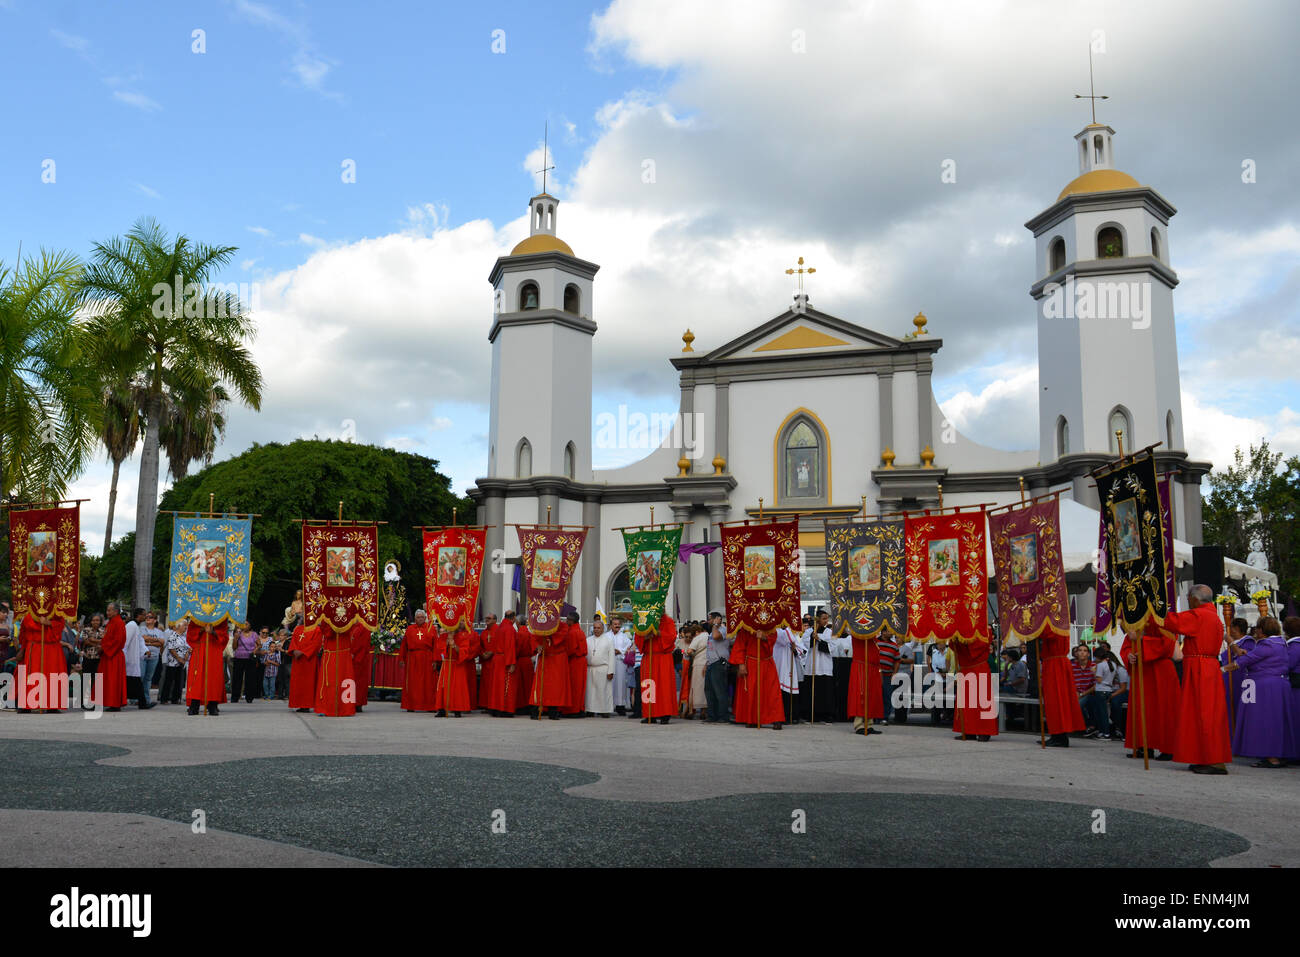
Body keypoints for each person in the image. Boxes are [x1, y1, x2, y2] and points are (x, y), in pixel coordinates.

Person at [1164, 584, 1232, 774]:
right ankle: (1203, 756)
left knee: (1204, 715)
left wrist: (1154, 610)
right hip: (1205, 667)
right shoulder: (1212, 616)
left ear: (1194, 599)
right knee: (1202, 715)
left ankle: (1214, 760)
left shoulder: (1200, 615)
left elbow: (1172, 622)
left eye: (1188, 597)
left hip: (1201, 669)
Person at [1226, 616, 1293, 768]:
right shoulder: (1281, 643)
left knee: (1266, 722)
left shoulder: (1267, 645)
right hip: (1279, 685)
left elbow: (1244, 661)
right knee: (1277, 722)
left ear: (1262, 631)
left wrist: (1221, 670)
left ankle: (1272, 757)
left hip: (1265, 687)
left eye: (1257, 627)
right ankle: (1277, 754)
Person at [1119, 620, 1181, 760]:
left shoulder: (1163, 620)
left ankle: (1168, 748)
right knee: (1142, 710)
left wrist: (1143, 639)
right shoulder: (1135, 621)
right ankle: (1143, 746)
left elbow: (1168, 643)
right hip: (1142, 671)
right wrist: (1130, 655)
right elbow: (1128, 645)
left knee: (1165, 710)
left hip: (1161, 669)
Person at [729, 627, 784, 730]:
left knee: (772, 692)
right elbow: (739, 647)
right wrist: (741, 664)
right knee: (752, 692)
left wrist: (764, 638)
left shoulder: (771, 628)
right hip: (750, 663)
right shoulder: (745, 628)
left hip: (767, 663)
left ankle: (776, 719)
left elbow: (772, 642)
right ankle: (752, 719)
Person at [1038, 628, 1084, 747]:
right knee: (1053, 702)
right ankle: (1056, 734)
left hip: (1055, 665)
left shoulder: (1056, 621)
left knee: (1056, 701)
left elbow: (1048, 633)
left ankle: (1059, 736)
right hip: (1053, 663)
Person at [16, 609, 67, 711]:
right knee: (31, 675)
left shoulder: (56, 611)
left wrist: (49, 623)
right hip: (34, 648)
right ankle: (28, 704)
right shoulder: (30, 613)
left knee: (52, 676)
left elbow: (61, 625)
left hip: (52, 648)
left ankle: (52, 705)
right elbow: (25, 632)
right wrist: (22, 650)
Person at [951, 635, 997, 741]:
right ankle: (968, 731)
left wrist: (964, 639)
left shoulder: (985, 630)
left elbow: (977, 648)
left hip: (979, 668)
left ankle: (985, 731)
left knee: (982, 703)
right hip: (965, 669)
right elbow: (955, 648)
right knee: (966, 704)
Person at [636, 615, 678, 725]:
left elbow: (672, 636)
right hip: (648, 657)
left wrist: (658, 633)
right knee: (648, 686)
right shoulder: (644, 619)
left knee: (664, 687)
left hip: (663, 657)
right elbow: (637, 638)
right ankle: (649, 714)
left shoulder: (668, 621)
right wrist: (645, 637)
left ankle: (665, 714)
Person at [434, 626, 480, 717]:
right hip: (447, 664)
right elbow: (439, 649)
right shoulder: (444, 636)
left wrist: (454, 645)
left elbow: (464, 651)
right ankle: (442, 708)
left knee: (457, 688)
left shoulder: (463, 637)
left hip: (457, 665)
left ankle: (457, 709)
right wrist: (446, 643)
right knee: (443, 687)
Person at [185, 620, 227, 715]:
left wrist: (213, 632)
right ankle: (194, 705)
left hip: (214, 649)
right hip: (199, 648)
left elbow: (224, 636)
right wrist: (201, 629)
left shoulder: (221, 616)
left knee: (214, 678)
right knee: (196, 678)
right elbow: (190, 634)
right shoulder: (196, 615)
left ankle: (213, 705)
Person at [399, 610, 438, 713]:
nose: (420, 619)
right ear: (415, 618)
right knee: (412, 682)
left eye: (422, 617)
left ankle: (430, 706)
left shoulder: (431, 629)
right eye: (418, 617)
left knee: (428, 683)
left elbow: (436, 645)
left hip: (427, 658)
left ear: (425, 618)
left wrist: (435, 660)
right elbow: (404, 645)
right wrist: (401, 658)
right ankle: (411, 705)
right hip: (412, 658)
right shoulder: (410, 629)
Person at [315, 625, 358, 717]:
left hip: (340, 653)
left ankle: (345, 709)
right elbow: (328, 633)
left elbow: (330, 633)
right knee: (332, 681)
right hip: (333, 654)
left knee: (344, 680)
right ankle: (328, 708)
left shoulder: (349, 617)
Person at [801, 611, 835, 723]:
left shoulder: (829, 631)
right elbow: (804, 645)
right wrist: (812, 637)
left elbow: (832, 647)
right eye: (824, 618)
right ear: (817, 619)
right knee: (812, 692)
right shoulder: (809, 632)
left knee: (825, 693)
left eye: (826, 618)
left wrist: (819, 639)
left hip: (824, 665)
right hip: (812, 666)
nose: (826, 621)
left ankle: (826, 715)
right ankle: (811, 715)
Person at [847, 633, 884, 735]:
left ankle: (869, 724)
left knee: (871, 696)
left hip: (872, 668)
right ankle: (859, 725)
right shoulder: (857, 632)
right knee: (860, 695)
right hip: (861, 666)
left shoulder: (873, 634)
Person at [773, 624, 805, 724]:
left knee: (790, 689)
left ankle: (791, 715)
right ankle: (781, 716)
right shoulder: (777, 630)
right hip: (778, 661)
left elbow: (801, 649)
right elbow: (788, 638)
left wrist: (795, 648)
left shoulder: (790, 631)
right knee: (780, 688)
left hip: (790, 662)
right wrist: (788, 629)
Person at [287, 621, 322, 713]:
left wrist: (302, 652)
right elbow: (293, 640)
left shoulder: (317, 629)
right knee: (298, 683)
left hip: (309, 661)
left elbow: (316, 644)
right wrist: (294, 650)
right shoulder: (298, 629)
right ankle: (300, 704)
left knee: (308, 683)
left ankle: (306, 705)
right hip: (297, 661)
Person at [704, 612, 732, 723]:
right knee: (709, 691)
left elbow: (716, 637)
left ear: (717, 619)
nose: (708, 621)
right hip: (711, 663)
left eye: (710, 619)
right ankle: (712, 716)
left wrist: (716, 625)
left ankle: (723, 716)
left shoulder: (723, 630)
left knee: (720, 691)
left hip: (719, 663)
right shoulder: (712, 631)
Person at [98, 603, 128, 710]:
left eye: (110, 610)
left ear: (116, 611)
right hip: (108, 655)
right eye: (107, 610)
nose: (107, 612)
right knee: (107, 680)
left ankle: (115, 704)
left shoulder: (119, 623)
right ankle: (109, 702)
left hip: (114, 655)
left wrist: (104, 648)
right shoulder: (111, 622)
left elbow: (118, 641)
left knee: (113, 681)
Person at [585, 615, 616, 716]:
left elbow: (611, 657)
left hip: (603, 668)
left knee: (603, 691)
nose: (596, 630)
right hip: (590, 668)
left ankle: (605, 710)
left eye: (598, 628)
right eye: (594, 628)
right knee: (590, 692)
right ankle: (590, 709)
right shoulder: (588, 640)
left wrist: (611, 671)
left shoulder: (608, 640)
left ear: (603, 629)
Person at [563, 612, 588, 717]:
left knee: (574, 686)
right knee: (580, 686)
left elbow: (571, 649)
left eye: (567, 619)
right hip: (581, 661)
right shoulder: (580, 631)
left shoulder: (572, 632)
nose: (566, 621)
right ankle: (579, 708)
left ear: (571, 621)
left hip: (575, 661)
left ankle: (573, 710)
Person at [160, 619, 190, 704]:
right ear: (179, 626)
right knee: (169, 681)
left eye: (186, 625)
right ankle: (164, 698)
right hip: (172, 662)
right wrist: (179, 659)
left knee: (179, 681)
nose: (186, 627)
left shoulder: (184, 636)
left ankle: (175, 698)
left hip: (182, 662)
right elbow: (171, 649)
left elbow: (188, 647)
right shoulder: (173, 635)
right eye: (184, 625)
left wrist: (186, 655)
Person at [140, 611, 166, 706]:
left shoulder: (159, 631)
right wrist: (156, 640)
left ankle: (146, 699)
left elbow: (162, 642)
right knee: (141, 677)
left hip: (154, 657)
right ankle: (138, 698)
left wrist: (148, 641)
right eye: (146, 616)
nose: (147, 618)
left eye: (150, 617)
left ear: (155, 620)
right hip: (142, 656)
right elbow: (142, 638)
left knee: (148, 679)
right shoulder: (141, 628)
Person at [1072, 643, 1098, 735]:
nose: (1082, 653)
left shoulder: (1093, 666)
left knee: (1078, 704)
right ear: (1076, 653)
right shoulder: (1072, 666)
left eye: (1085, 651)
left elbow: (1096, 685)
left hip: (1090, 693)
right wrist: (1076, 692)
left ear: (1088, 654)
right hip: (1076, 692)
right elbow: (1071, 682)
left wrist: (1082, 694)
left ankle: (1089, 725)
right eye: (1080, 650)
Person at [609, 615, 633, 714]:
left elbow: (628, 648)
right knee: (610, 684)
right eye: (615, 624)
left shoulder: (624, 637)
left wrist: (620, 651)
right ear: (611, 626)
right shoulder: (606, 636)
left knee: (621, 684)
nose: (617, 626)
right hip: (609, 662)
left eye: (618, 624)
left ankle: (620, 706)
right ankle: (610, 705)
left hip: (620, 662)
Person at [229, 625, 258, 703]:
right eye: (243, 624)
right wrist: (235, 638)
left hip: (250, 659)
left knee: (250, 679)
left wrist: (255, 650)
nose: (245, 625)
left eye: (247, 624)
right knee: (237, 678)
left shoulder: (254, 634)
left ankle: (249, 697)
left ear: (250, 625)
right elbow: (234, 648)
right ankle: (235, 697)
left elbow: (259, 644)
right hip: (239, 658)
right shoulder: (238, 633)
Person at [687, 621, 709, 718]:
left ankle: (692, 711)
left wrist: (692, 655)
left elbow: (689, 651)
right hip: (708, 663)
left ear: (696, 632)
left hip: (698, 664)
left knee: (695, 688)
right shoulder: (709, 636)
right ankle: (704, 711)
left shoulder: (698, 638)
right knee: (706, 688)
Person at [350, 623, 373, 713]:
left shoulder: (364, 628)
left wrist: (353, 652)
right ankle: (350, 702)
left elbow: (362, 644)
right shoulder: (351, 626)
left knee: (360, 683)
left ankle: (358, 704)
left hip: (360, 658)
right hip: (351, 657)